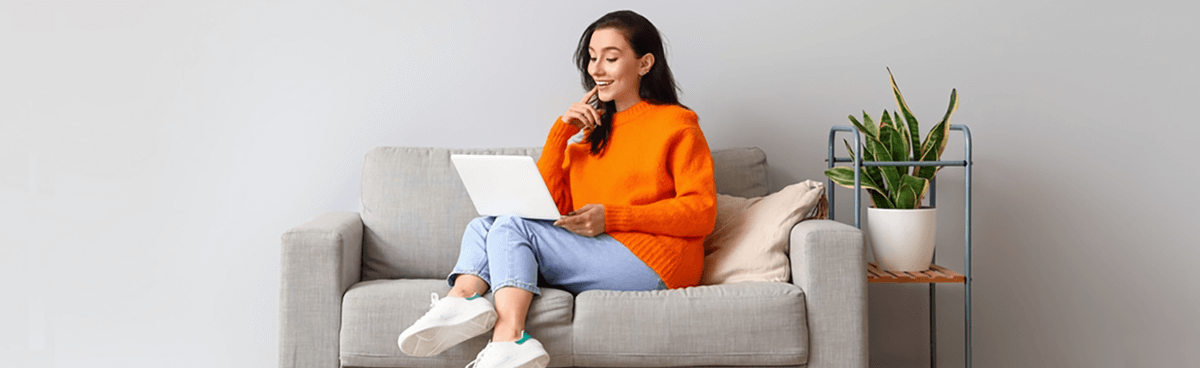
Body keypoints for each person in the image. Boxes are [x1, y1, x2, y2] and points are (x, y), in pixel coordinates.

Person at [396, 10, 716, 368]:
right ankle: (462, 300)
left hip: (656, 263)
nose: (597, 69)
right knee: (484, 225)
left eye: (610, 58)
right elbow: (547, 205)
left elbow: (701, 212)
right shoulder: (591, 136)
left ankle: (509, 337)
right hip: (600, 251)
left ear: (644, 63)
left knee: (512, 227)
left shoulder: (677, 124)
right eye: (592, 58)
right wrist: (561, 132)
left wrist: (611, 218)